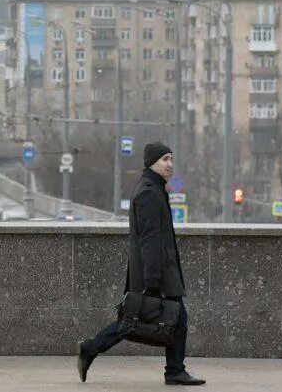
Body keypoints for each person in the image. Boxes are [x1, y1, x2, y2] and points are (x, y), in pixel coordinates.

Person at [76, 142, 205, 386]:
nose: (170, 164)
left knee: (142, 319)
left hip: (158, 269)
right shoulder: (148, 192)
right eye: (165, 159)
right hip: (157, 271)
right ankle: (174, 370)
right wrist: (153, 280)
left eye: (171, 159)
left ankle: (91, 348)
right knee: (145, 320)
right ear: (152, 162)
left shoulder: (154, 188)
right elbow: (149, 239)